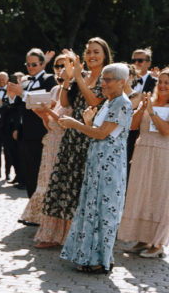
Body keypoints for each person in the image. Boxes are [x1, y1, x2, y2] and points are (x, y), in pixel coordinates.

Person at [58, 63, 133, 273]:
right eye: (102, 79)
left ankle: (101, 260)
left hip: (109, 164)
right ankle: (92, 256)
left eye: (108, 80)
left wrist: (76, 124)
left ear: (122, 82)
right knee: (92, 207)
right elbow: (98, 130)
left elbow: (102, 134)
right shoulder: (110, 103)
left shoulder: (121, 103)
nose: (103, 83)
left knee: (103, 210)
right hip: (98, 162)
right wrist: (87, 122)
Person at [37, 38, 110, 245]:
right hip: (71, 134)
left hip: (90, 135)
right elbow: (65, 102)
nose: (92, 56)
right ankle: (54, 235)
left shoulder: (108, 77)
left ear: (105, 55)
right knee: (62, 185)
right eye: (88, 52)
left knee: (80, 188)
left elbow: (95, 102)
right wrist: (69, 79)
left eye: (96, 52)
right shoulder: (83, 75)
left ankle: (76, 239)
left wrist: (78, 76)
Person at [118, 71, 169, 259]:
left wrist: (152, 112)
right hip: (143, 152)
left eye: (167, 83)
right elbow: (132, 125)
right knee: (141, 194)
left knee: (159, 196)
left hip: (164, 154)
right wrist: (141, 109)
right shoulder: (149, 103)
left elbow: (165, 130)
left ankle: (157, 243)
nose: (163, 85)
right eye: (161, 82)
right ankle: (141, 238)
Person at [21, 55, 70, 228]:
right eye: (57, 65)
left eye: (63, 65)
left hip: (67, 141)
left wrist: (48, 112)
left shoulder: (76, 89)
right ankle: (42, 217)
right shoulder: (55, 90)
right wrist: (42, 113)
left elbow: (66, 121)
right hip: (51, 139)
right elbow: (49, 122)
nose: (59, 69)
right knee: (44, 180)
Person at [9, 49, 57, 197]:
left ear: (42, 64)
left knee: (39, 171)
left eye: (34, 64)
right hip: (26, 133)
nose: (30, 67)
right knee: (28, 171)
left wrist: (22, 94)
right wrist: (12, 95)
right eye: (28, 64)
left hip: (40, 131)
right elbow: (17, 107)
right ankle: (31, 208)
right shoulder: (25, 81)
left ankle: (38, 212)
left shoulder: (49, 79)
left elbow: (44, 102)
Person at [126, 47, 156, 175]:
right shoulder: (126, 79)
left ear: (149, 63)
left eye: (140, 60)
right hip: (126, 128)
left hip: (145, 130)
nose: (136, 63)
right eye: (134, 60)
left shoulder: (157, 83)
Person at [0, 71, 15, 180]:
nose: (1, 81)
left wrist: (2, 105)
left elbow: (12, 108)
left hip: (7, 126)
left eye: (3, 79)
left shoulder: (11, 91)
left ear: (7, 80)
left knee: (8, 151)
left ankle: (7, 173)